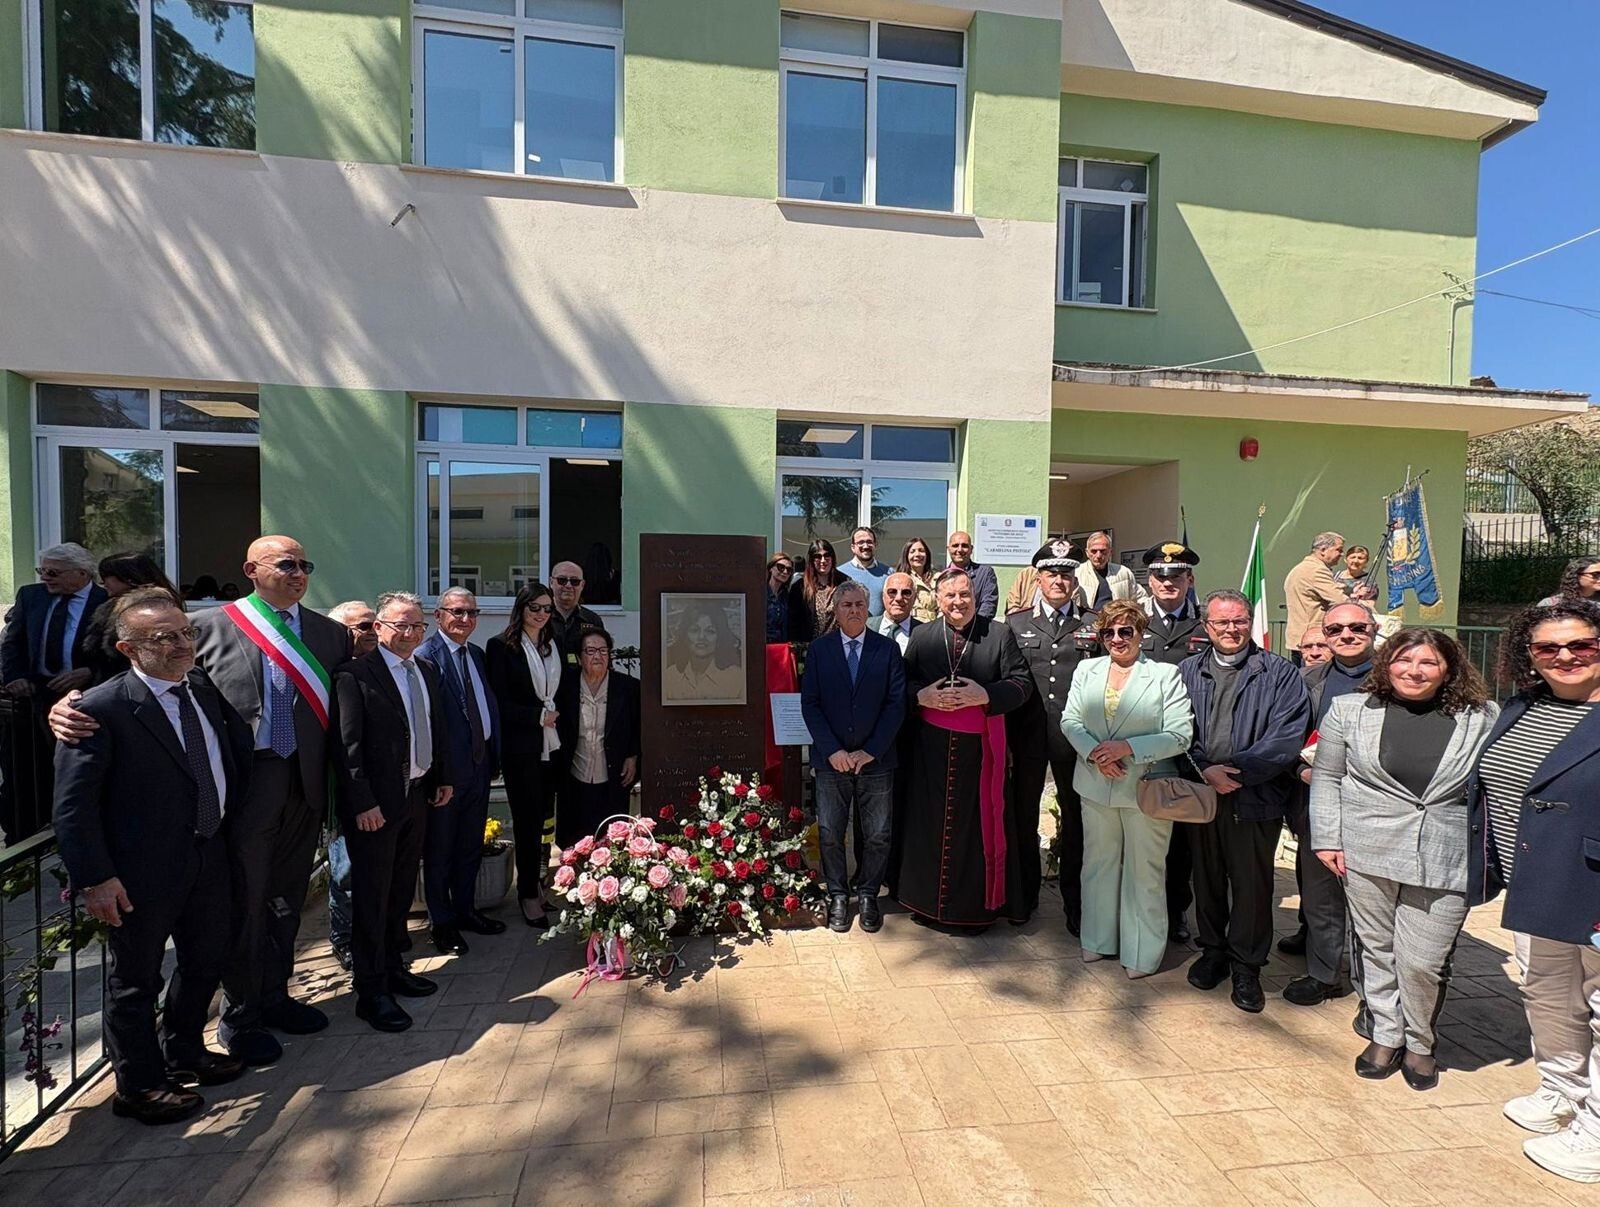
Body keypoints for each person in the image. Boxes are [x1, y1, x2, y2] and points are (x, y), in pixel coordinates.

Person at [49, 535, 351, 1066]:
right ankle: (241, 1014)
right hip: (242, 791)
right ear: (250, 570)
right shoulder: (207, 627)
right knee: (244, 906)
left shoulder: (330, 635)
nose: (299, 572)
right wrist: (66, 705)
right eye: (286, 564)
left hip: (305, 787)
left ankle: (276, 996)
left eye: (306, 563)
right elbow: (144, 681)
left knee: (285, 900)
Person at [53, 590, 252, 1124]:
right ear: (127, 647)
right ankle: (138, 1086)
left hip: (207, 855)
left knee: (206, 960)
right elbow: (73, 809)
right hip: (140, 873)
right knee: (136, 981)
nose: (182, 644)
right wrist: (96, 878)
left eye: (185, 632)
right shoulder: (99, 709)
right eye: (164, 637)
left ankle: (184, 1050)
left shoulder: (201, 689)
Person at [1313, 629, 1497, 1091]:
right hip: (1365, 848)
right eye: (1403, 660)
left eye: (1428, 663)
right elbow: (1327, 777)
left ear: (1449, 669)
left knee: (1422, 961)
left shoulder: (1483, 717)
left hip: (1446, 854)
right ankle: (1386, 1034)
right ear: (1386, 663)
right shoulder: (1350, 710)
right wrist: (1326, 838)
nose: (1414, 671)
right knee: (1376, 950)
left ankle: (1420, 1041)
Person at [1467, 602, 1600, 1180]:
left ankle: (1596, 1131)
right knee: (1547, 992)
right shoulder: (1524, 706)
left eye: (1581, 645)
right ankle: (1562, 1089)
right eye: (1548, 648)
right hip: (1536, 881)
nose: (1565, 657)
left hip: (1591, 885)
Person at [1181, 590, 1311, 1014]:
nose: (1231, 629)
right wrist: (1204, 770)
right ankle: (1213, 952)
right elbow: (1176, 729)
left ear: (1250, 622)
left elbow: (1285, 738)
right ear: (1207, 626)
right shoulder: (1186, 671)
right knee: (1207, 880)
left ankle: (1247, 966)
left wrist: (1233, 773)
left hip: (1255, 798)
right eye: (1221, 622)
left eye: (1238, 621)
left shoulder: (1280, 673)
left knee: (1253, 887)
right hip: (1202, 795)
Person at [333, 592, 453, 1033]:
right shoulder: (355, 675)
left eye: (418, 626)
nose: (410, 634)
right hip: (376, 807)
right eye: (401, 625)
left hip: (417, 795)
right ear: (379, 627)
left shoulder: (425, 669)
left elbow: (433, 728)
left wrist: (442, 776)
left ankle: (393, 966)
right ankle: (371, 990)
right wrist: (362, 802)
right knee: (371, 896)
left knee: (401, 890)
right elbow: (348, 748)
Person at [893, 568, 1032, 929]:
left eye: (964, 595)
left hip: (981, 754)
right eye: (950, 596)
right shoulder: (923, 635)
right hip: (930, 754)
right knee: (929, 829)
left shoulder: (998, 634)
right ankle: (926, 905)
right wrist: (921, 696)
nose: (958, 602)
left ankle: (974, 909)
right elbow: (902, 684)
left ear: (975, 596)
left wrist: (985, 695)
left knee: (976, 830)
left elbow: (1022, 683)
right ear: (938, 600)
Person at [1061, 601, 1194, 977]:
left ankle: (1142, 953)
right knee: (1097, 865)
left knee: (1145, 871)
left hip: (1145, 787)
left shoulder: (1165, 675)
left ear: (1141, 634)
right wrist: (1096, 754)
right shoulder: (1087, 669)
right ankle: (1098, 939)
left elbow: (1180, 734)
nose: (1117, 639)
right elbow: (1070, 720)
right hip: (1095, 782)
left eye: (1126, 631)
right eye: (1109, 632)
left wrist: (1128, 749)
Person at [1281, 601, 1377, 1009]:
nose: (1346, 636)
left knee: (1372, 901)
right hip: (1316, 798)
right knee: (1320, 893)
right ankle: (1324, 973)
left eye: (1357, 627)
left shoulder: (1397, 677)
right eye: (1335, 630)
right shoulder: (1307, 679)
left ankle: (1373, 984)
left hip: (1375, 807)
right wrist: (1298, 771)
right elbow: (1286, 734)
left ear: (1373, 630)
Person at [801, 581, 906, 934]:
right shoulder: (819, 651)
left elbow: (896, 705)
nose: (854, 610)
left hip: (876, 760)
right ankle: (837, 896)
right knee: (830, 832)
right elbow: (810, 704)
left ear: (869, 606)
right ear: (835, 609)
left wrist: (870, 750)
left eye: (860, 604)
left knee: (877, 834)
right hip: (831, 761)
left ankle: (868, 895)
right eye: (846, 604)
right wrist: (833, 751)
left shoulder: (887, 650)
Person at [1006, 540, 1097, 926]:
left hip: (1074, 741)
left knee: (1076, 822)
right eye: (1052, 573)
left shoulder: (1094, 624)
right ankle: (1022, 897)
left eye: (1066, 574)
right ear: (1038, 578)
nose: (1059, 580)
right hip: (1026, 738)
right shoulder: (1016, 624)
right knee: (1022, 818)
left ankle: (1075, 904)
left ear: (1075, 579)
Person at [416, 589, 505, 957]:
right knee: (440, 850)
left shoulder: (476, 655)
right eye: (457, 612)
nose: (465, 619)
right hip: (447, 775)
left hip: (479, 766)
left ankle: (467, 910)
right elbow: (427, 723)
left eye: (471, 612)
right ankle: (443, 922)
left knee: (470, 845)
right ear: (438, 615)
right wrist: (439, 776)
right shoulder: (426, 658)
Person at [1, 544, 109, 842]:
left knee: (74, 771)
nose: (45, 578)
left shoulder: (106, 602)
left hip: (84, 699)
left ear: (82, 573)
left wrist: (90, 672)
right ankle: (22, 840)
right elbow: (13, 642)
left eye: (53, 572)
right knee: (24, 774)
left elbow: (115, 653)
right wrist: (15, 676)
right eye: (42, 571)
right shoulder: (31, 596)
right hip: (34, 696)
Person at [1139, 542, 1207, 944]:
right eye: (1161, 577)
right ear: (1150, 581)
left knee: (1180, 834)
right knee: (1139, 826)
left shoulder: (1203, 628)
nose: (1168, 583)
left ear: (1189, 581)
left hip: (1186, 744)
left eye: (1176, 576)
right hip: (1138, 742)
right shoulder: (1135, 623)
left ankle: (1175, 908)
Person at [485, 583, 563, 928]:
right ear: (521, 609)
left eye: (547, 609)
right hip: (522, 749)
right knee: (527, 823)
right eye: (535, 608)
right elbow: (498, 702)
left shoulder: (551, 644)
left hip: (552, 745)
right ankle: (527, 894)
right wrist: (535, 717)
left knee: (546, 819)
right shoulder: (501, 647)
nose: (542, 614)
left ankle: (539, 887)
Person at [324, 600, 378, 973]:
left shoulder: (377, 670)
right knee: (344, 871)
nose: (372, 633)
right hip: (342, 792)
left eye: (374, 625)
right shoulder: (335, 674)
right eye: (362, 627)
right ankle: (344, 939)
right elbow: (347, 745)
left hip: (380, 790)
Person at [556, 625, 640, 847]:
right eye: (591, 651)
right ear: (580, 656)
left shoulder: (628, 687)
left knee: (611, 838)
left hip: (612, 776)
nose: (598, 656)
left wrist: (633, 755)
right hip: (575, 775)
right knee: (575, 841)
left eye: (603, 651)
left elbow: (637, 725)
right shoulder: (565, 686)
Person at [81, 552, 183, 684]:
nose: (103, 583)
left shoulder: (152, 607)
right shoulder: (111, 606)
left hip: (138, 683)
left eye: (107, 577)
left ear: (128, 578)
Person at [1285, 532, 1370, 663]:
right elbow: (1341, 602)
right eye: (1339, 550)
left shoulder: (1300, 568)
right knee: (1316, 680)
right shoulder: (1317, 570)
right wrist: (1361, 604)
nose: (1342, 554)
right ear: (1323, 550)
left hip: (1299, 637)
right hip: (1315, 641)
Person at [663, 599, 744, 703]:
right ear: (685, 636)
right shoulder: (670, 677)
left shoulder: (737, 679)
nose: (701, 637)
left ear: (720, 638)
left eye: (710, 631)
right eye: (694, 630)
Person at [547, 560, 605, 668]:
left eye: (575, 581)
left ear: (582, 585)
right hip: (546, 682)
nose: (568, 585)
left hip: (580, 682)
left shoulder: (592, 620)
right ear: (551, 582)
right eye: (562, 580)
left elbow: (601, 658)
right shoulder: (541, 616)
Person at [1075, 532, 1151, 611]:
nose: (1098, 556)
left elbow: (1140, 598)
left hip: (1117, 621)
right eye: (1094, 551)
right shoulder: (1077, 573)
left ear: (1110, 552)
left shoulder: (1123, 572)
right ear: (1087, 553)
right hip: (1088, 621)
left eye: (1103, 551)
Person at [788, 539, 846, 642]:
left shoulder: (844, 583)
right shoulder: (799, 587)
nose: (823, 560)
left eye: (827, 555)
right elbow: (793, 623)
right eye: (818, 557)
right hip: (809, 648)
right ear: (811, 560)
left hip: (838, 646)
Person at [839, 527, 891, 619]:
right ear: (853, 547)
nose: (866, 546)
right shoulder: (840, 573)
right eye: (861, 542)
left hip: (879, 632)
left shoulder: (889, 573)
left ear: (875, 545)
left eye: (869, 542)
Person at [945, 532, 999, 620]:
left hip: (976, 629)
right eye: (955, 545)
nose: (960, 550)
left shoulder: (985, 573)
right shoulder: (942, 577)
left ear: (971, 549)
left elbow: (989, 604)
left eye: (964, 546)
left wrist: (973, 625)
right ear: (948, 549)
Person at [897, 538, 939, 624]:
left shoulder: (938, 578)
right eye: (912, 551)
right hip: (912, 627)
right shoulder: (901, 579)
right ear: (906, 556)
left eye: (921, 550)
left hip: (936, 627)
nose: (917, 554)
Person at [877, 572, 921, 652]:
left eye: (906, 593)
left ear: (914, 598)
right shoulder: (865, 627)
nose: (899, 598)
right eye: (892, 592)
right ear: (883, 596)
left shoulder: (924, 633)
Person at [765, 554, 796, 643]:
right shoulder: (760, 593)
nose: (785, 572)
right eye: (781, 567)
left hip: (781, 647)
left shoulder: (787, 596)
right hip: (762, 646)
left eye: (789, 570)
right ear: (771, 568)